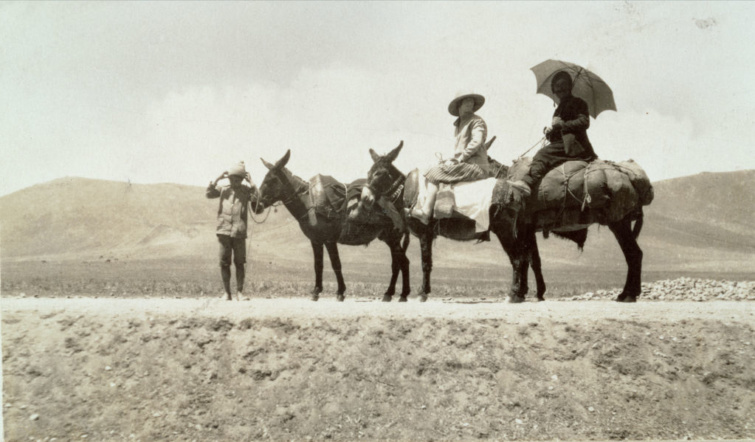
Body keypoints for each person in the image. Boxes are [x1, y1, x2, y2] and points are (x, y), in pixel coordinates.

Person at [509, 71, 598, 196]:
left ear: (569, 86)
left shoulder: (579, 103)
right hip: (561, 144)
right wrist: (550, 132)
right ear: (554, 90)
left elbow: (584, 122)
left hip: (575, 145)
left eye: (563, 85)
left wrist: (562, 125)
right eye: (557, 86)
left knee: (542, 154)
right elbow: (557, 133)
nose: (560, 89)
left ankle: (527, 183)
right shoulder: (558, 109)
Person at [410, 92, 489, 224]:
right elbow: (459, 151)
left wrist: (460, 158)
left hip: (475, 166)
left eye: (472, 102)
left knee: (434, 172)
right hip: (465, 163)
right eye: (466, 101)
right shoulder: (459, 124)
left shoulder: (476, 121)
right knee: (432, 167)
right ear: (459, 106)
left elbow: (477, 141)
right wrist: (451, 159)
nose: (470, 104)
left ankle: (426, 212)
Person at [205, 161, 259, 301]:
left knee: (240, 262)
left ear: (242, 179)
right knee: (224, 262)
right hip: (224, 231)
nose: (234, 181)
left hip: (239, 232)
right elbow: (209, 194)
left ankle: (240, 293)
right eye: (231, 178)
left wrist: (252, 182)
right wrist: (217, 178)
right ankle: (227, 293)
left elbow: (258, 201)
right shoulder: (223, 189)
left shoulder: (246, 191)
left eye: (237, 179)